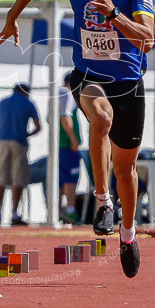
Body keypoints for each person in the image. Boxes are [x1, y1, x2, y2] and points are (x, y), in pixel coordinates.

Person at [0, 0, 154, 278]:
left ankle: (127, 236)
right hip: (89, 76)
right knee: (100, 121)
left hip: (128, 83)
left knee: (125, 171)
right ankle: (102, 203)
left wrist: (114, 14)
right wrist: (13, 14)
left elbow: (146, 38)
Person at [0, 84, 41, 226]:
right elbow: (38, 126)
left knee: (0, 178)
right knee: (17, 179)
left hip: (2, 141)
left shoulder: (2, 102)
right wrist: (26, 134)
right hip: (19, 142)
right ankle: (14, 213)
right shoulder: (28, 103)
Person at [58, 72, 83, 225]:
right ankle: (71, 209)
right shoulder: (67, 93)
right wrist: (73, 137)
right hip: (67, 145)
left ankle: (61, 209)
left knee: (61, 178)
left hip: (60, 145)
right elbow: (65, 117)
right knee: (71, 176)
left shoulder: (57, 94)